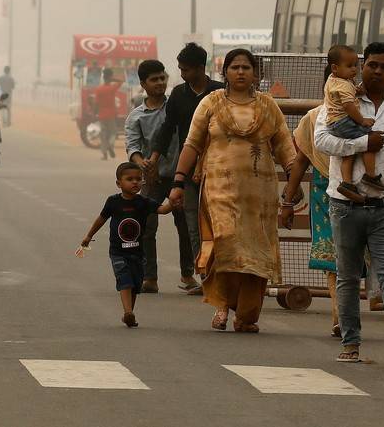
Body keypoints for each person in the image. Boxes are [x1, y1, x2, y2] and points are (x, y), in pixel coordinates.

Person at [166, 49, 296, 332]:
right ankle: (223, 305)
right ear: (224, 73)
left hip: (259, 197)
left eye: (246, 68)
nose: (240, 72)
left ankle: (246, 316)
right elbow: (192, 144)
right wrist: (178, 182)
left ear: (255, 73)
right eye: (234, 67)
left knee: (255, 253)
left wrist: (292, 183)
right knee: (224, 245)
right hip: (218, 191)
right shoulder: (211, 103)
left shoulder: (268, 105)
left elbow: (286, 148)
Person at [308, 42, 384, 365]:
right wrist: (362, 141)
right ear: (362, 65)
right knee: (347, 276)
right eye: (372, 64)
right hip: (345, 204)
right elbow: (322, 140)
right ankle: (351, 342)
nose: (378, 71)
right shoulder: (341, 100)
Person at [150, 42, 224, 294]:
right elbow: (167, 128)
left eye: (186, 69)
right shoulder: (179, 95)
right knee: (194, 223)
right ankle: (204, 275)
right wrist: (154, 157)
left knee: (220, 223)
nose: (182, 74)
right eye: (180, 69)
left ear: (200, 68)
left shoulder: (220, 93)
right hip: (188, 170)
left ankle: (226, 274)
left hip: (219, 169)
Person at [124, 59, 196, 294]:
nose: (160, 83)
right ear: (143, 84)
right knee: (147, 227)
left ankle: (188, 275)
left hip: (180, 177)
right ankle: (150, 278)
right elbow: (133, 147)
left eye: (162, 78)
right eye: (154, 80)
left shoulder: (176, 106)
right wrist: (141, 163)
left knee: (185, 226)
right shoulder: (136, 116)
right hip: (152, 179)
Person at [78, 161, 176, 327]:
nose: (135, 182)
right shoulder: (113, 202)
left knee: (136, 283)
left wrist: (173, 202)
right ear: (119, 183)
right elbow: (101, 219)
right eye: (129, 179)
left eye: (138, 179)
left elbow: (163, 210)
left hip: (138, 252)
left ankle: (129, 313)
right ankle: (128, 312)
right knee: (125, 279)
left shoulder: (144, 202)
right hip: (118, 252)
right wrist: (88, 236)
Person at [279, 94, 339, 338]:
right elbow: (301, 160)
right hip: (325, 193)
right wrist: (287, 201)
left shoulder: (366, 116)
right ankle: (340, 314)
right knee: (334, 260)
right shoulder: (313, 118)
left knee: (357, 258)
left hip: (364, 194)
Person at [324, 45, 384, 201]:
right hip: (343, 121)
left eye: (355, 66)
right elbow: (348, 106)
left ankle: (346, 183)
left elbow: (345, 93)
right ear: (334, 68)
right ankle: (370, 176)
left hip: (335, 123)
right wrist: (363, 121)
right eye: (349, 66)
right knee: (370, 141)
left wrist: (357, 90)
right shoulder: (344, 85)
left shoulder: (334, 80)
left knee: (350, 152)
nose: (354, 70)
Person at [91, 68, 122, 161]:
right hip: (112, 114)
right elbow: (121, 81)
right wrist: (113, 79)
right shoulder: (112, 88)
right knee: (113, 132)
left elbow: (96, 104)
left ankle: (104, 154)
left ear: (103, 77)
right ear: (110, 77)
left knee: (103, 135)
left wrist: (94, 113)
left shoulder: (98, 89)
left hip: (102, 114)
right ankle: (110, 145)